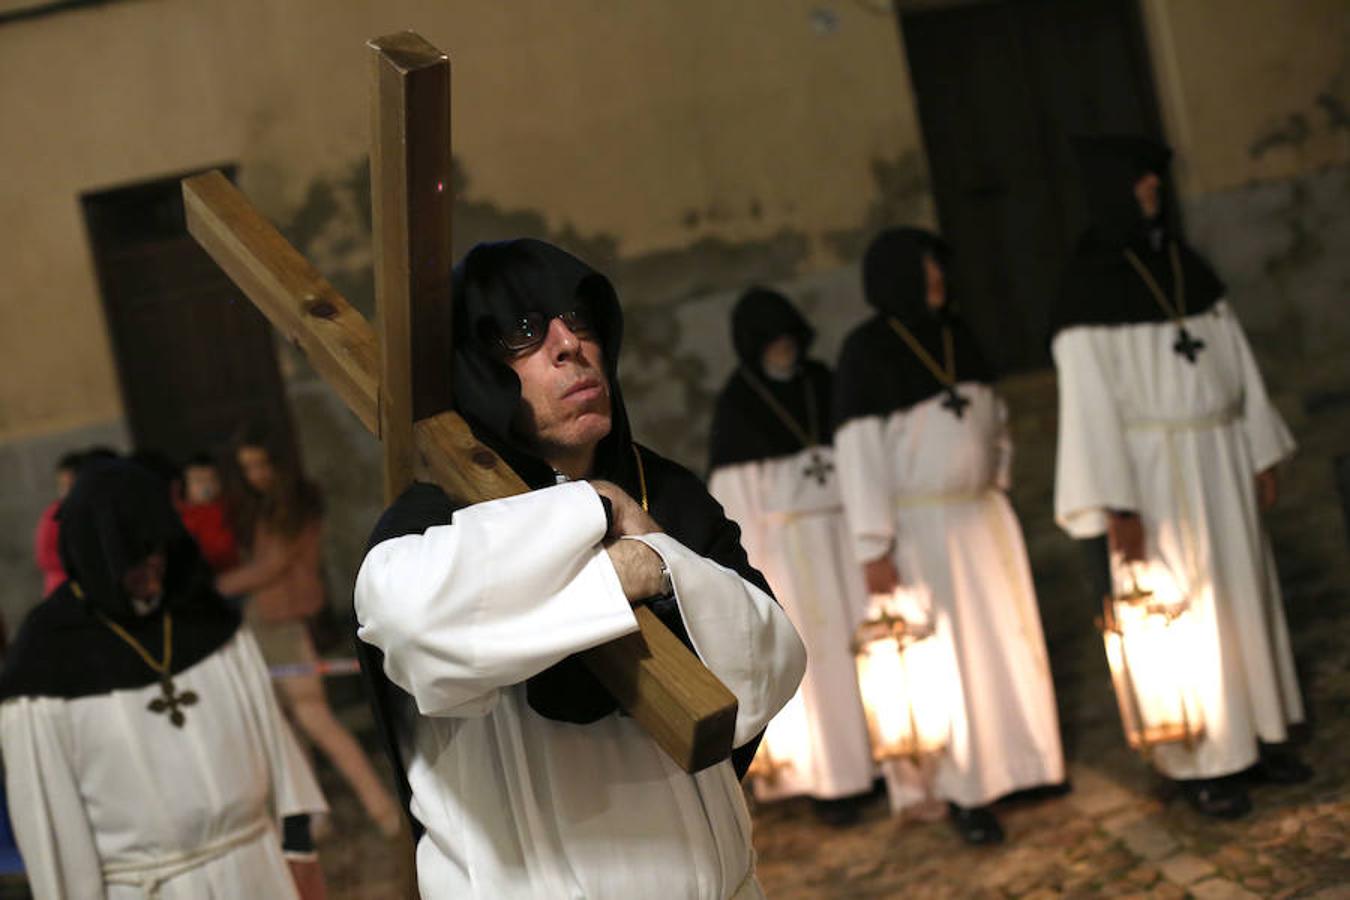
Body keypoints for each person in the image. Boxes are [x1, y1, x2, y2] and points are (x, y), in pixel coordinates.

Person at [354, 238, 806, 899]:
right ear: (477, 363)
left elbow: (771, 661)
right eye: (524, 331)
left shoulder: (665, 493)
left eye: (580, 319)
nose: (571, 344)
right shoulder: (431, 523)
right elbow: (415, 626)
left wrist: (656, 562)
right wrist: (593, 519)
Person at [1052, 135, 1309, 818]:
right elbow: (1089, 406)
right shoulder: (1085, 289)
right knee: (1180, 612)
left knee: (1243, 598)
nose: (1151, 191)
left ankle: (1255, 735)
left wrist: (1258, 448)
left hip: (1220, 454)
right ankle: (1201, 760)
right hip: (1154, 474)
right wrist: (1116, 502)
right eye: (1139, 180)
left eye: (1154, 180)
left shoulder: (1183, 265)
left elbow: (1237, 360)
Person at [0, 458, 328, 898]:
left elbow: (278, 752)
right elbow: (52, 827)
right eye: (133, 559)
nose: (151, 569)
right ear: (95, 554)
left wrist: (300, 852)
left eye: (156, 551)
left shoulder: (205, 623)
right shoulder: (45, 662)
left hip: (256, 868)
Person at [833, 227, 1065, 845]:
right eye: (925, 267)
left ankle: (1026, 765)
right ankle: (965, 791)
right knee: (950, 663)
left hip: (981, 517)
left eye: (940, 264)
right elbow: (860, 458)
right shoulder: (866, 352)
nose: (938, 277)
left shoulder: (958, 335)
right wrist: (873, 545)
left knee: (1010, 647)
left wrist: (996, 481)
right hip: (921, 527)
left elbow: (997, 420)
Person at [707, 286, 874, 825]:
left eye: (788, 338)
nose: (783, 349)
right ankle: (834, 780)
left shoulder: (824, 383)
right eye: (772, 341)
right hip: (792, 557)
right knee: (819, 665)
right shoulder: (739, 406)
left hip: (845, 538)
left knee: (867, 652)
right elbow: (736, 504)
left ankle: (887, 759)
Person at [217, 432, 402, 838]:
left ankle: (382, 809)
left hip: (284, 620)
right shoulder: (268, 507)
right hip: (266, 619)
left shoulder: (293, 504)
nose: (256, 475)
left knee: (313, 717)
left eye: (261, 464)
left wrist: (216, 586)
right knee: (290, 725)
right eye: (247, 467)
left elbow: (274, 564)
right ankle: (313, 816)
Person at [33, 447, 117, 597]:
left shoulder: (91, 509)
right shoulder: (54, 515)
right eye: (63, 486)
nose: (68, 492)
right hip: (64, 586)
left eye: (72, 486)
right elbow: (45, 557)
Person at [177, 452, 240, 573]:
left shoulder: (229, 505)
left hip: (236, 565)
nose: (206, 486)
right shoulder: (186, 515)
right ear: (186, 487)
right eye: (199, 481)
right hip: (206, 571)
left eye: (212, 479)